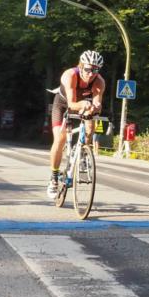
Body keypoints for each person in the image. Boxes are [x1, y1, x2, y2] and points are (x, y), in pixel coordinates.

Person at [48, 50, 105, 197]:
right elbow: (72, 104)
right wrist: (84, 104)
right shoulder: (70, 75)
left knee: (90, 125)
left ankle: (83, 154)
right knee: (59, 139)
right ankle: (53, 178)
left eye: (96, 70)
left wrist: (96, 106)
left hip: (83, 104)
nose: (91, 73)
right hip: (63, 104)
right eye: (88, 69)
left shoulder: (99, 81)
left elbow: (98, 102)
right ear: (81, 66)